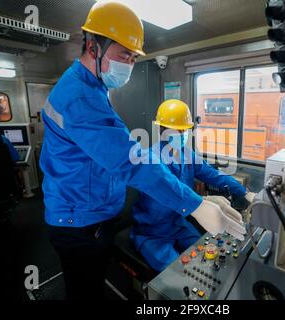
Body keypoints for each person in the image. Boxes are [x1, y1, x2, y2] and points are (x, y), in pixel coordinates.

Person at [39, 1, 246, 300]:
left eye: (134, 57)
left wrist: (205, 198)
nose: (130, 64)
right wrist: (198, 204)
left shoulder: (95, 88)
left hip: (94, 213)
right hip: (78, 220)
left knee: (93, 285)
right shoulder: (79, 96)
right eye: (124, 53)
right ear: (93, 45)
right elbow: (132, 163)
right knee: (85, 291)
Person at [131, 100, 257, 272]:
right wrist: (203, 201)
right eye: (179, 130)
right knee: (178, 272)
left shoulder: (187, 154)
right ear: (163, 130)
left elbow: (214, 175)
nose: (184, 134)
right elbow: (162, 201)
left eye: (186, 130)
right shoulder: (151, 159)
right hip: (153, 231)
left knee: (205, 256)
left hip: (178, 223)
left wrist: (245, 192)